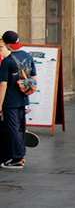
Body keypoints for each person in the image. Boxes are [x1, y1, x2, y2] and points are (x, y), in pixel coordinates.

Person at [0, 31, 36, 169]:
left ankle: (17, 158)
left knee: (12, 129)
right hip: (23, 98)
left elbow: (3, 85)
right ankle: (20, 155)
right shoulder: (28, 56)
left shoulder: (7, 61)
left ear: (7, 44)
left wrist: (0, 105)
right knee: (20, 128)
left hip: (10, 100)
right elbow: (34, 78)